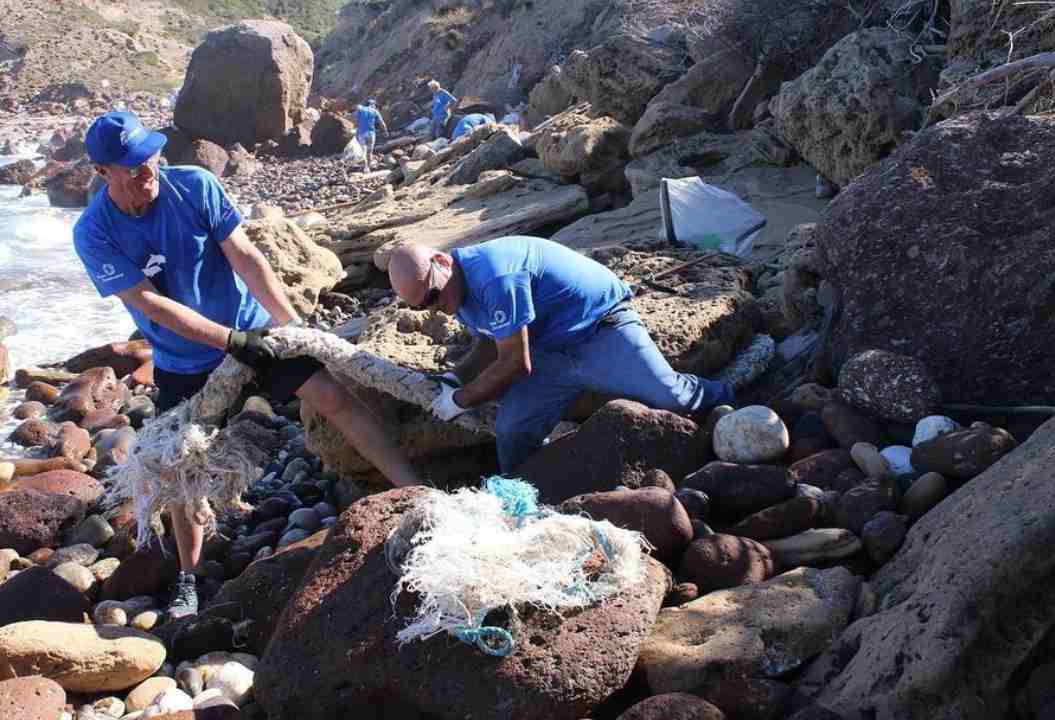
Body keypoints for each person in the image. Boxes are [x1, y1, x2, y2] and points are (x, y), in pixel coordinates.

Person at [73, 111, 422, 618]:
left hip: (254, 330)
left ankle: (414, 487)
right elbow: (150, 305)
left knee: (332, 398)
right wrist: (230, 342)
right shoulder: (94, 232)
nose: (147, 170)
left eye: (149, 157)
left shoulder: (194, 186)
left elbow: (246, 257)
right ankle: (189, 577)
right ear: (103, 172)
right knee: (181, 468)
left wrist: (292, 326)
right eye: (132, 166)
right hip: (184, 357)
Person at [387, 236, 733, 473]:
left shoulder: (495, 276)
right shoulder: (452, 291)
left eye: (433, 297)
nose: (436, 309)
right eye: (422, 307)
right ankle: (532, 498)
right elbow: (490, 340)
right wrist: (456, 376)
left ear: (443, 260)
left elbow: (514, 362)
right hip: (547, 351)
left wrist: (460, 399)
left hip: (600, 328)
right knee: (512, 433)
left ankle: (732, 394)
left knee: (671, 396)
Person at [354, 98, 388, 172]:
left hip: (362, 133)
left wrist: (356, 130)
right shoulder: (375, 111)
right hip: (371, 134)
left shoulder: (361, 109)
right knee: (369, 152)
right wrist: (385, 131)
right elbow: (382, 123)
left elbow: (356, 121)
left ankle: (365, 167)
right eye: (375, 105)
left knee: (363, 151)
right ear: (372, 105)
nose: (375, 107)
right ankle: (368, 168)